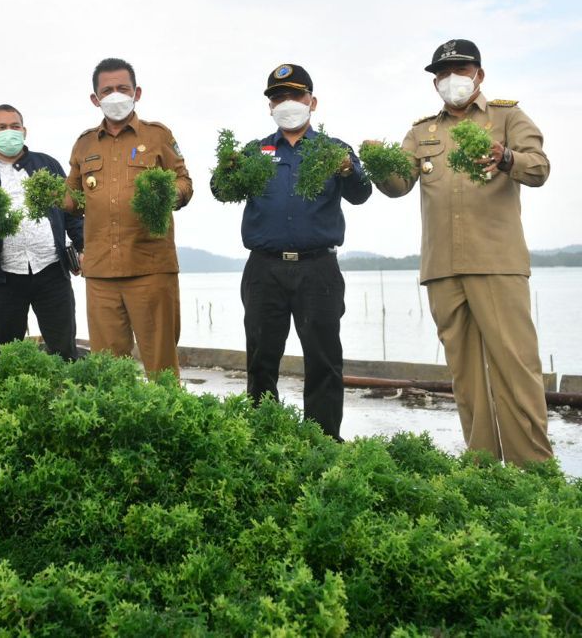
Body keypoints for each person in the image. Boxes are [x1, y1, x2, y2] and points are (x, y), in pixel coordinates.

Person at [369, 39, 553, 465]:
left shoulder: (507, 116)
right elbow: (398, 186)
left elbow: (539, 167)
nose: (451, 79)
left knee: (516, 369)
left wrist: (506, 157)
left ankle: (534, 474)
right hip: (442, 268)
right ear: (435, 81)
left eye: (461, 70)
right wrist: (378, 164)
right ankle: (483, 468)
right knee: (465, 377)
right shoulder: (420, 132)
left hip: (497, 263)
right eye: (443, 73)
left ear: (479, 75)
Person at [214, 64, 371, 441]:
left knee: (324, 360)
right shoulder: (256, 152)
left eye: (294, 95)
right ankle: (263, 438)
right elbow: (222, 191)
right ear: (269, 106)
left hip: (318, 269)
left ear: (312, 101)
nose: (287, 103)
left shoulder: (335, 150)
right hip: (263, 270)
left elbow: (361, 194)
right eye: (278, 97)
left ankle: (322, 441)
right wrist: (226, 170)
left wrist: (350, 170)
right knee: (261, 358)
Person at [65, 58, 192, 377]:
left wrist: (168, 194)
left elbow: (184, 183)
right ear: (95, 99)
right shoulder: (84, 144)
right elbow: (71, 198)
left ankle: (167, 425)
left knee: (161, 368)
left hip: (150, 268)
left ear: (137, 92)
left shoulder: (158, 135)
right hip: (100, 273)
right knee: (108, 372)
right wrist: (43, 195)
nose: (115, 95)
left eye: (122, 88)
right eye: (107, 90)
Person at [0, 104, 84, 361]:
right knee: (8, 355)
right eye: (1, 127)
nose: (9, 132)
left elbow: (70, 211)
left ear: (24, 130)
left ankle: (66, 398)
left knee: (64, 350)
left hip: (51, 271)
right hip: (3, 277)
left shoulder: (47, 164)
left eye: (14, 126)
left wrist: (84, 248)